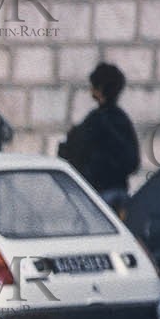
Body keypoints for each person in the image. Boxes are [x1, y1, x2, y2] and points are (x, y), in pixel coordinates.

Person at [59, 62, 140, 213]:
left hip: (99, 193)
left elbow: (76, 151)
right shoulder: (122, 119)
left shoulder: (95, 120)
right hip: (121, 191)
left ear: (100, 89)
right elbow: (134, 161)